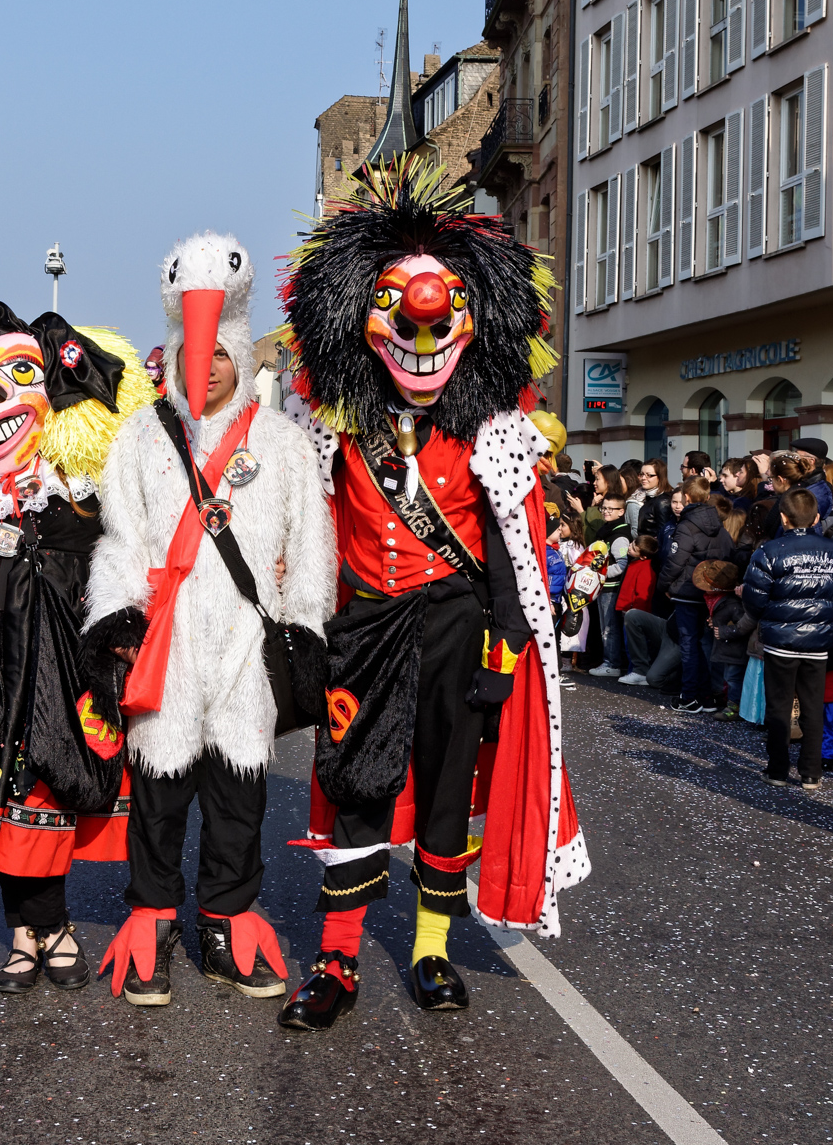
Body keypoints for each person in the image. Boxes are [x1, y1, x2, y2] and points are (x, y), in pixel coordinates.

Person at [270, 165, 585, 1028]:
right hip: (364, 627)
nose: (421, 330)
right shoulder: (333, 429)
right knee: (356, 788)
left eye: (440, 315)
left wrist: (505, 653)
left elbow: (511, 554)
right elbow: (306, 538)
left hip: (456, 625)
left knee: (448, 791)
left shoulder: (492, 431)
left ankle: (431, 949)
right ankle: (336, 960)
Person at [71, 232, 333, 1015]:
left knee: (238, 799)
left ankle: (225, 922)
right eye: (194, 351)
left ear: (239, 357)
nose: (207, 366)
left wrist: (307, 629)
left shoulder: (283, 443)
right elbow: (121, 541)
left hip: (247, 648)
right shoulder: (140, 436)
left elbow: (309, 548)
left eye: (220, 352)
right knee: (158, 796)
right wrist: (116, 620)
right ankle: (151, 921)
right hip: (170, 644)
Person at [0, 302, 156, 992]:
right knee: (2, 780)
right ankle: (34, 931)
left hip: (65, 636)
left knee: (54, 774)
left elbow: (121, 545)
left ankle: (44, 927)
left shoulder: (82, 472)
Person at [744, 489, 833, 789]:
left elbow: (754, 599)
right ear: (816, 518)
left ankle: (778, 770)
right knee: (813, 706)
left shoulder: (770, 550)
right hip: (818, 640)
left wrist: (771, 619)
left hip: (781, 640)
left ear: (783, 518)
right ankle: (811, 772)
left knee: (779, 707)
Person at [663, 477, 734, 712]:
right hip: (712, 593)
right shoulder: (720, 526)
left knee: (689, 644)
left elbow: (675, 562)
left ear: (686, 497)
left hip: (687, 592)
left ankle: (689, 697)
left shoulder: (686, 526)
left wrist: (663, 585)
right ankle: (706, 696)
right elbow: (728, 555)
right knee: (703, 645)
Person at [588, 487, 634, 678]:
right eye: (604, 508)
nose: (606, 511)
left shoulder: (619, 535)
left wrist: (601, 574)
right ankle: (609, 661)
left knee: (609, 627)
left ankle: (612, 663)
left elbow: (622, 564)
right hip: (603, 586)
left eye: (611, 509)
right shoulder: (606, 531)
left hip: (611, 587)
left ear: (621, 512)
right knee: (605, 626)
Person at [701, 560, 753, 718]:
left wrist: (724, 631)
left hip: (735, 649)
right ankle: (728, 702)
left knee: (733, 678)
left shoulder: (733, 604)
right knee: (728, 677)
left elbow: (743, 625)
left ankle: (733, 708)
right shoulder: (720, 601)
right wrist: (714, 623)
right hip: (728, 648)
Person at [617, 535, 670, 688]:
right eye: (632, 544)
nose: (629, 547)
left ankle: (637, 671)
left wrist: (632, 610)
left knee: (633, 645)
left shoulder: (645, 568)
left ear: (643, 556)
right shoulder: (636, 563)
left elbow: (642, 596)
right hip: (628, 609)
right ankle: (633, 671)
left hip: (634, 612)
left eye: (634, 548)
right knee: (629, 644)